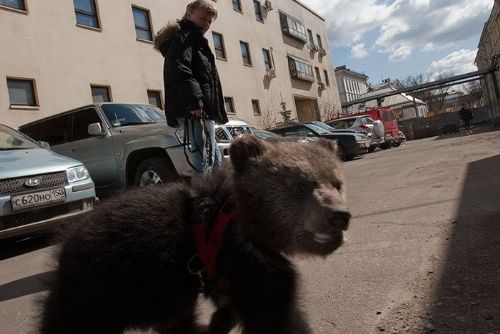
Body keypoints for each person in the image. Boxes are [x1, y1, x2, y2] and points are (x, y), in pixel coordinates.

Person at [154, 0, 228, 178]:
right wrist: (194, 101)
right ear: (189, 13)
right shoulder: (184, 36)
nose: (206, 24)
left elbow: (206, 77)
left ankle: (215, 198)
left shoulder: (195, 39)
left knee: (213, 159)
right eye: (203, 18)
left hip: (201, 108)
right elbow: (180, 68)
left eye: (210, 21)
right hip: (193, 108)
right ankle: (202, 200)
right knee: (202, 161)